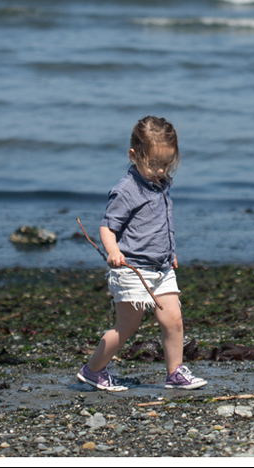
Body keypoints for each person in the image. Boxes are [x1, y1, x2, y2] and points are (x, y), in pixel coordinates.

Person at [77, 116, 207, 391]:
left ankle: (175, 372)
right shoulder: (126, 190)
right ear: (133, 155)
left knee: (173, 319)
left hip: (161, 268)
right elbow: (107, 227)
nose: (160, 170)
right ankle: (92, 370)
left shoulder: (161, 183)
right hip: (131, 268)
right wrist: (113, 252)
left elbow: (163, 222)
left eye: (166, 164)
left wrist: (170, 251)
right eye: (153, 164)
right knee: (126, 326)